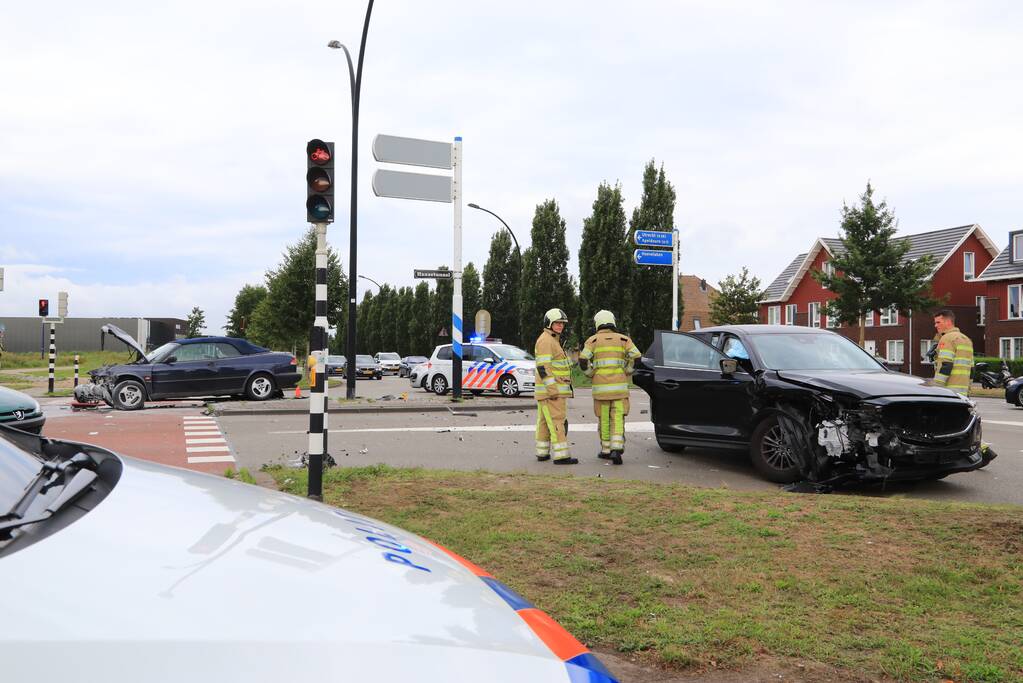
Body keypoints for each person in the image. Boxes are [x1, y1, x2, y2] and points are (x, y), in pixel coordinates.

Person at [578, 310, 641, 465]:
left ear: (597, 323)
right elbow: (637, 357)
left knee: (604, 419)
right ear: (613, 322)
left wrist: (591, 374)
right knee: (617, 418)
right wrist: (627, 371)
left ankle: (606, 450)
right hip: (619, 390)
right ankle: (616, 449)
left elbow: (583, 360)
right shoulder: (623, 339)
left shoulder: (592, 341)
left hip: (601, 391)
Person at [533, 308, 576, 465]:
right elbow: (543, 367)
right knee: (557, 421)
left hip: (548, 392)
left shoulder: (551, 340)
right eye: (557, 323)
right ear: (549, 323)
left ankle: (542, 452)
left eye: (562, 323)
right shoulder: (547, 340)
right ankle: (561, 455)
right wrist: (552, 390)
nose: (560, 326)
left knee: (544, 422)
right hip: (552, 393)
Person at [931, 309, 973, 397]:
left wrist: (937, 388)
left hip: (948, 391)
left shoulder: (947, 338)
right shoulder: (966, 339)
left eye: (938, 322)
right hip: (963, 392)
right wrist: (968, 388)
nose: (935, 325)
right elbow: (972, 368)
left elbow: (946, 365)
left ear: (948, 322)